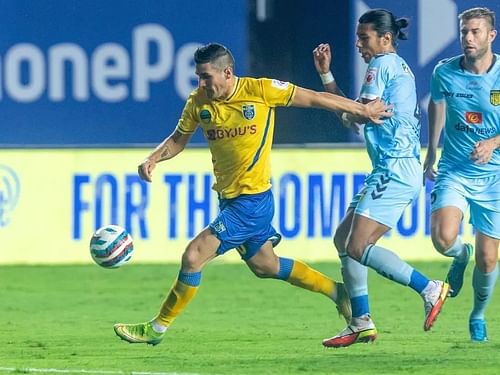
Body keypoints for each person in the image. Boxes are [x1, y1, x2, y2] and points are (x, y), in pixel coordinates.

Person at [113, 42, 392, 345]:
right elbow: (179, 139)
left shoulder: (260, 91)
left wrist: (362, 109)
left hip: (252, 203)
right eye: (198, 77)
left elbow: (315, 99)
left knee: (193, 257)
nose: (201, 84)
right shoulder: (198, 102)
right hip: (229, 200)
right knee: (265, 266)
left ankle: (157, 328)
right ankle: (338, 291)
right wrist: (153, 158)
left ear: (228, 72)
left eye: (206, 76)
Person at [313, 9, 450, 348]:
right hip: (389, 168)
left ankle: (429, 288)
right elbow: (356, 116)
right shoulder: (395, 68)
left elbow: (353, 113)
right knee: (344, 240)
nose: (359, 44)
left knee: (358, 246)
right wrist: (328, 76)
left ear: (385, 39)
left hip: (395, 167)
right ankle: (361, 321)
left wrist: (325, 81)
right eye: (358, 37)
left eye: (365, 38)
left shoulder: (382, 66)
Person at [423, 7, 499, 343]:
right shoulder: (444, 72)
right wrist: (431, 152)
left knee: (489, 257)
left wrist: (494, 141)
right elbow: (436, 104)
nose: (468, 38)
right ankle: (459, 254)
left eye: (475, 32)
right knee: (442, 238)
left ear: (491, 36)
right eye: (464, 31)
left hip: (495, 174)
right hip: (455, 168)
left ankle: (478, 314)